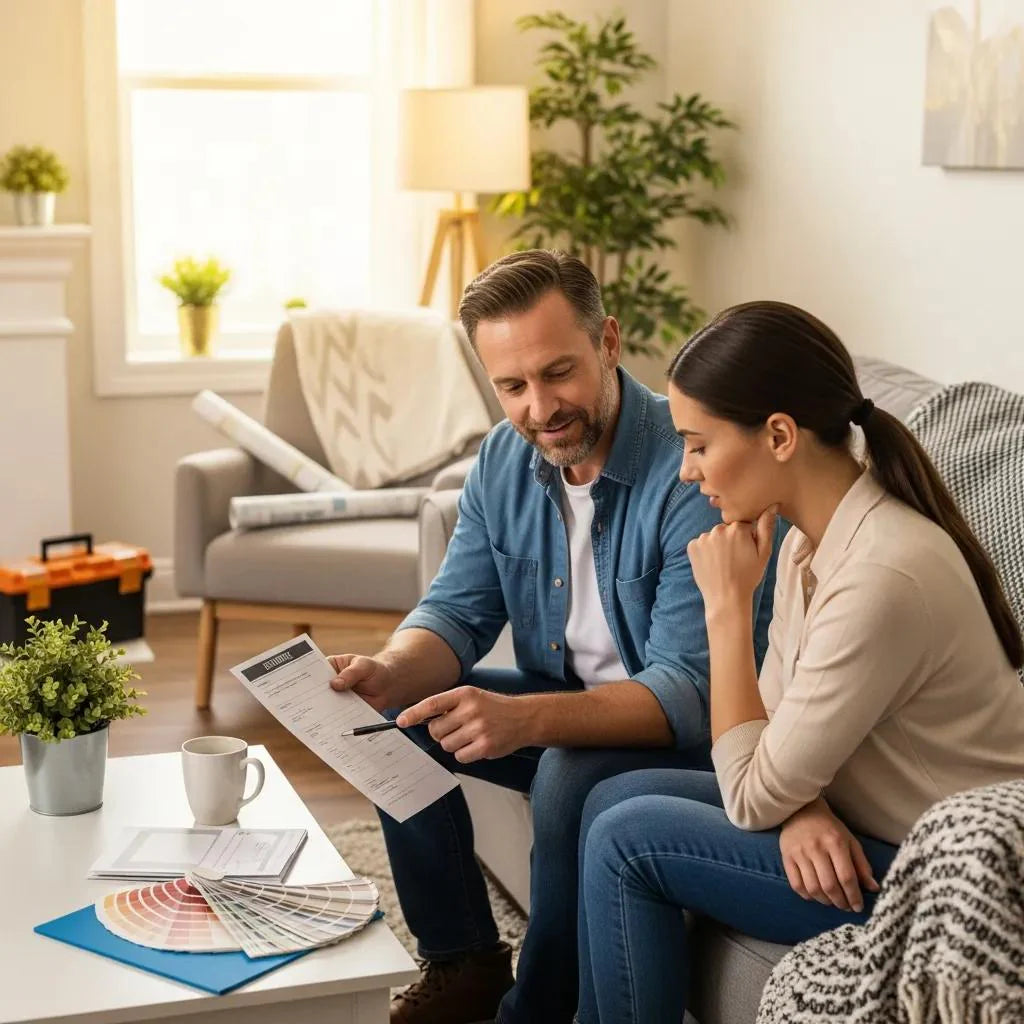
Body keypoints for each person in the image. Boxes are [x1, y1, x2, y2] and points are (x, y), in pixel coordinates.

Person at [326, 252, 781, 1024]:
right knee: (389, 722)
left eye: (558, 371)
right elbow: (458, 610)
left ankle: (534, 1010)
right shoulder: (505, 459)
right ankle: (463, 960)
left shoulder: (693, 470)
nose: (540, 407)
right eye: (512, 386)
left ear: (608, 340)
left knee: (570, 773)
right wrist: (392, 669)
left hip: (691, 737)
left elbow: (688, 693)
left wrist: (524, 720)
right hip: (569, 705)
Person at [574, 300, 1024, 1024]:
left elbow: (753, 791)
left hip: (937, 878)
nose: (687, 471)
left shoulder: (882, 575)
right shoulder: (808, 541)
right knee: (608, 796)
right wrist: (801, 806)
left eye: (697, 443)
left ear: (779, 434)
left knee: (629, 841)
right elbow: (777, 735)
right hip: (858, 826)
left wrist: (726, 610)